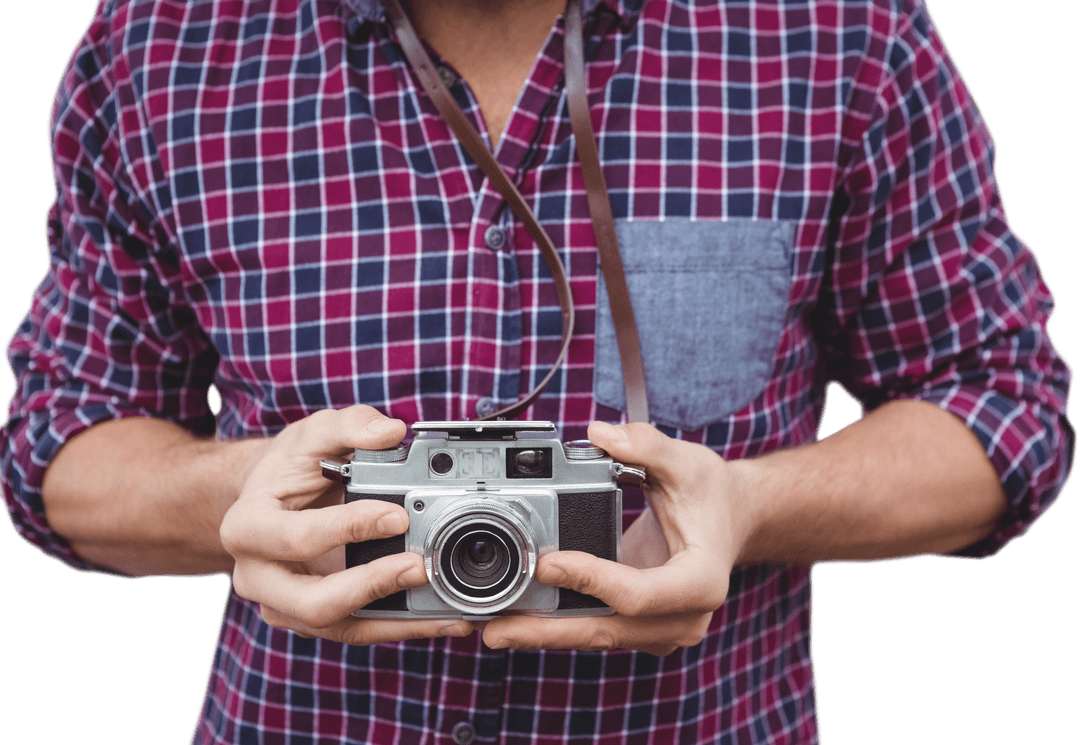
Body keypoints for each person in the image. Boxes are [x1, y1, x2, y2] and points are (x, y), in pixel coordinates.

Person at [1, 0, 1073, 743]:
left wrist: (748, 506)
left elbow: (1005, 403)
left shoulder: (840, 34)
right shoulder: (156, 46)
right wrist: (244, 496)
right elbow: (59, 445)